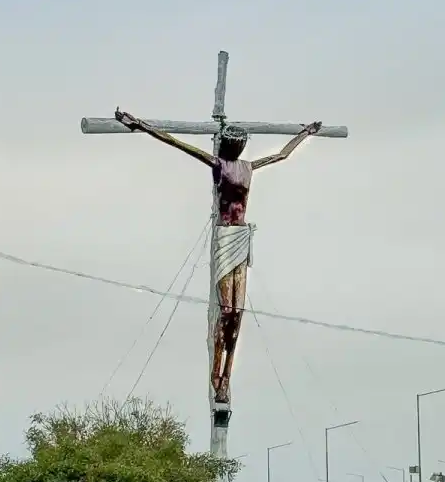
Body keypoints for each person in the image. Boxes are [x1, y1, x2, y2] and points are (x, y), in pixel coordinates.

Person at [113, 110, 321, 402]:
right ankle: (217, 376)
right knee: (226, 311)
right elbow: (175, 142)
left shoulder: (247, 167)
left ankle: (226, 377)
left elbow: (282, 155)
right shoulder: (220, 165)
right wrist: (141, 125)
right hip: (225, 238)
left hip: (241, 235)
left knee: (237, 313)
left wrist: (305, 133)